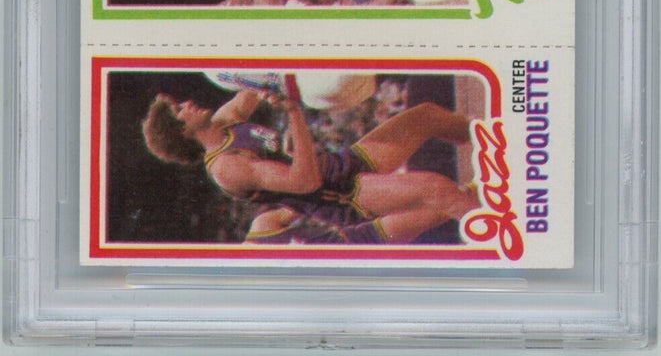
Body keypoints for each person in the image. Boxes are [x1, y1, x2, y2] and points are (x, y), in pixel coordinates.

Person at [141, 86, 478, 245]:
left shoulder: (225, 120)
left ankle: (491, 138)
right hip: (340, 196)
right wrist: (294, 114)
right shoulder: (227, 168)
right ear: (181, 131)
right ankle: (498, 232)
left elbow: (256, 83)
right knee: (437, 189)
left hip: (340, 165)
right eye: (179, 110)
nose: (187, 101)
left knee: (425, 116)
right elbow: (305, 182)